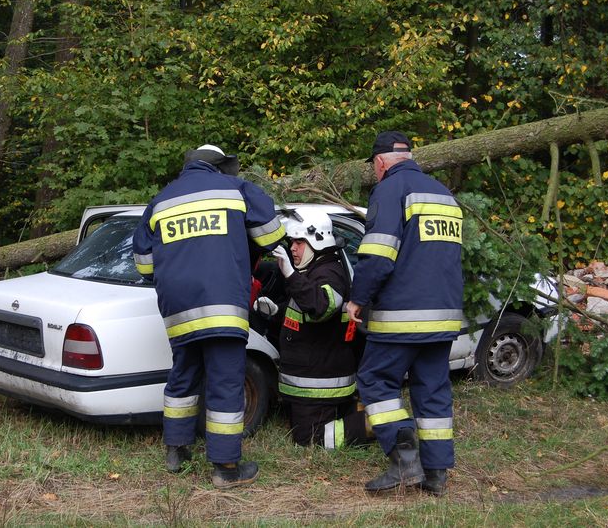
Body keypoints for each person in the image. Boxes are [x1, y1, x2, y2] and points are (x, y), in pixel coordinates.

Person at [132, 144, 284, 489]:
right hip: (223, 306)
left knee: (183, 376)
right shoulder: (237, 189)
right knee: (226, 383)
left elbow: (144, 265)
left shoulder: (160, 202)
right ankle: (226, 467)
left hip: (179, 311)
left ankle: (176, 451)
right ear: (218, 167)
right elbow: (272, 236)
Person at [345, 131, 464, 496]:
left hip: (401, 315)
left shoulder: (389, 190)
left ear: (380, 163)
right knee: (433, 392)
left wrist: (357, 300)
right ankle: (437, 473)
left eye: (374, 168)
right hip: (443, 316)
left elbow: (378, 256)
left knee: (376, 381)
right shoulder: (443, 194)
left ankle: (404, 459)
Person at [253, 209, 370, 449]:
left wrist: (290, 274)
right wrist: (276, 312)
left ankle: (374, 425)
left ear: (318, 240)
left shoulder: (330, 272)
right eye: (291, 242)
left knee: (312, 439)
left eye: (299, 242)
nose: (292, 248)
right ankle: (356, 411)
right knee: (302, 432)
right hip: (311, 384)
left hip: (322, 386)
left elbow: (321, 306)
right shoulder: (313, 270)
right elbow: (302, 313)